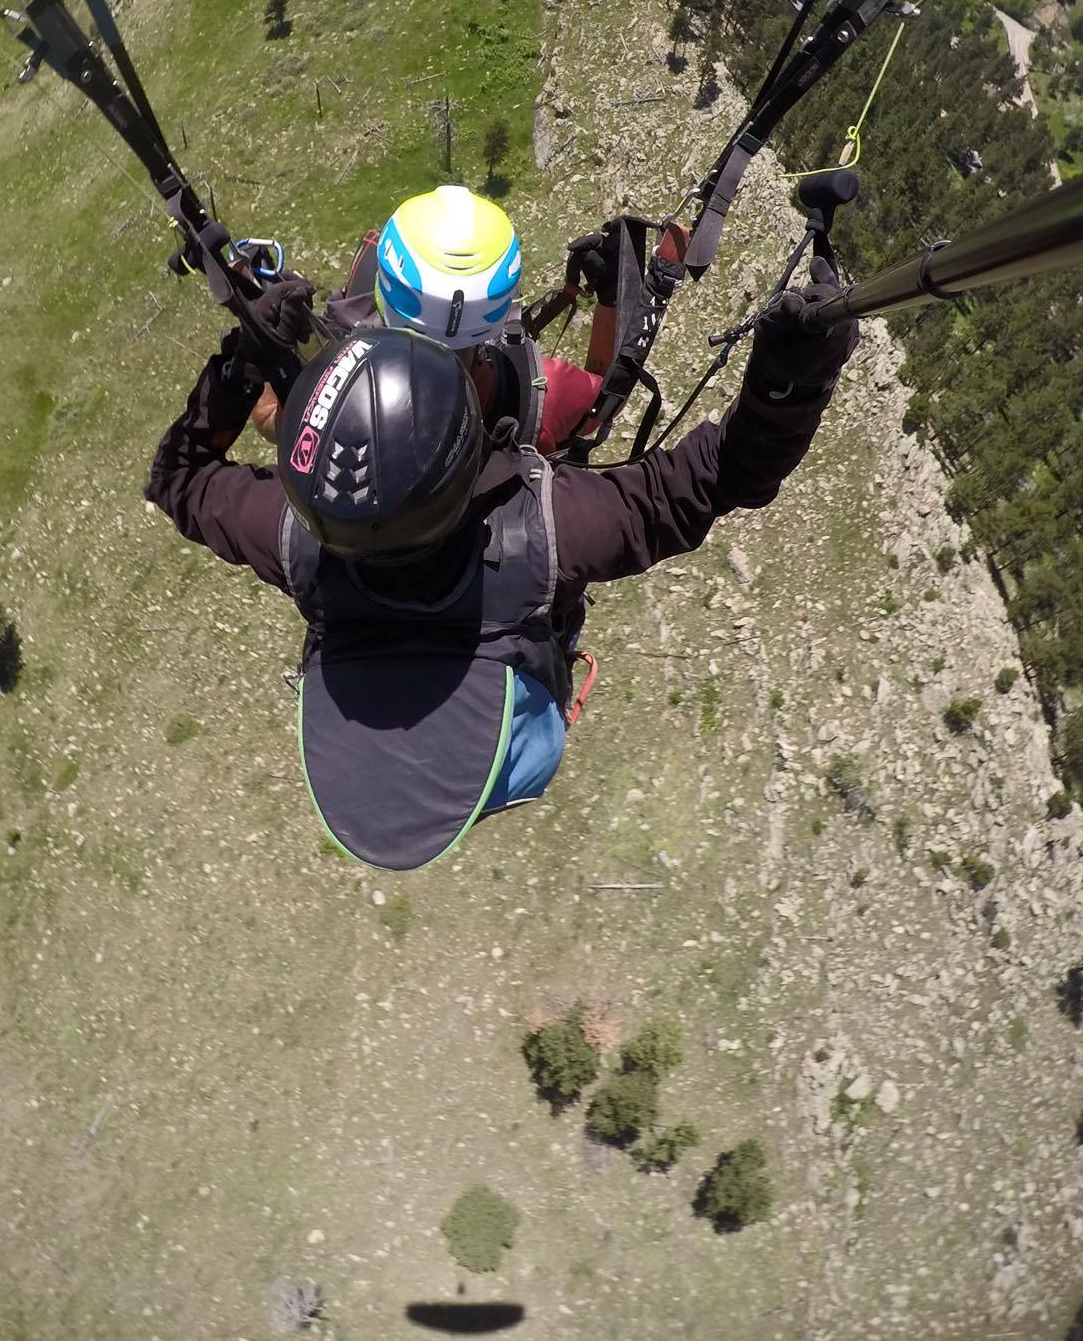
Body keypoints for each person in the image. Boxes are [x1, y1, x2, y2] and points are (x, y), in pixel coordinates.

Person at [146, 248, 859, 872]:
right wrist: (785, 385)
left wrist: (241, 367)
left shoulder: (294, 537)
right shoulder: (546, 529)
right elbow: (719, 477)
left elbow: (175, 480)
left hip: (389, 752)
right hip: (497, 730)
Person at [249, 184, 604, 455]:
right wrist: (611, 296)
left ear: (384, 295)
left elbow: (271, 420)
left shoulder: (347, 401)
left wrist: (265, 342)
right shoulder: (548, 391)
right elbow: (600, 405)